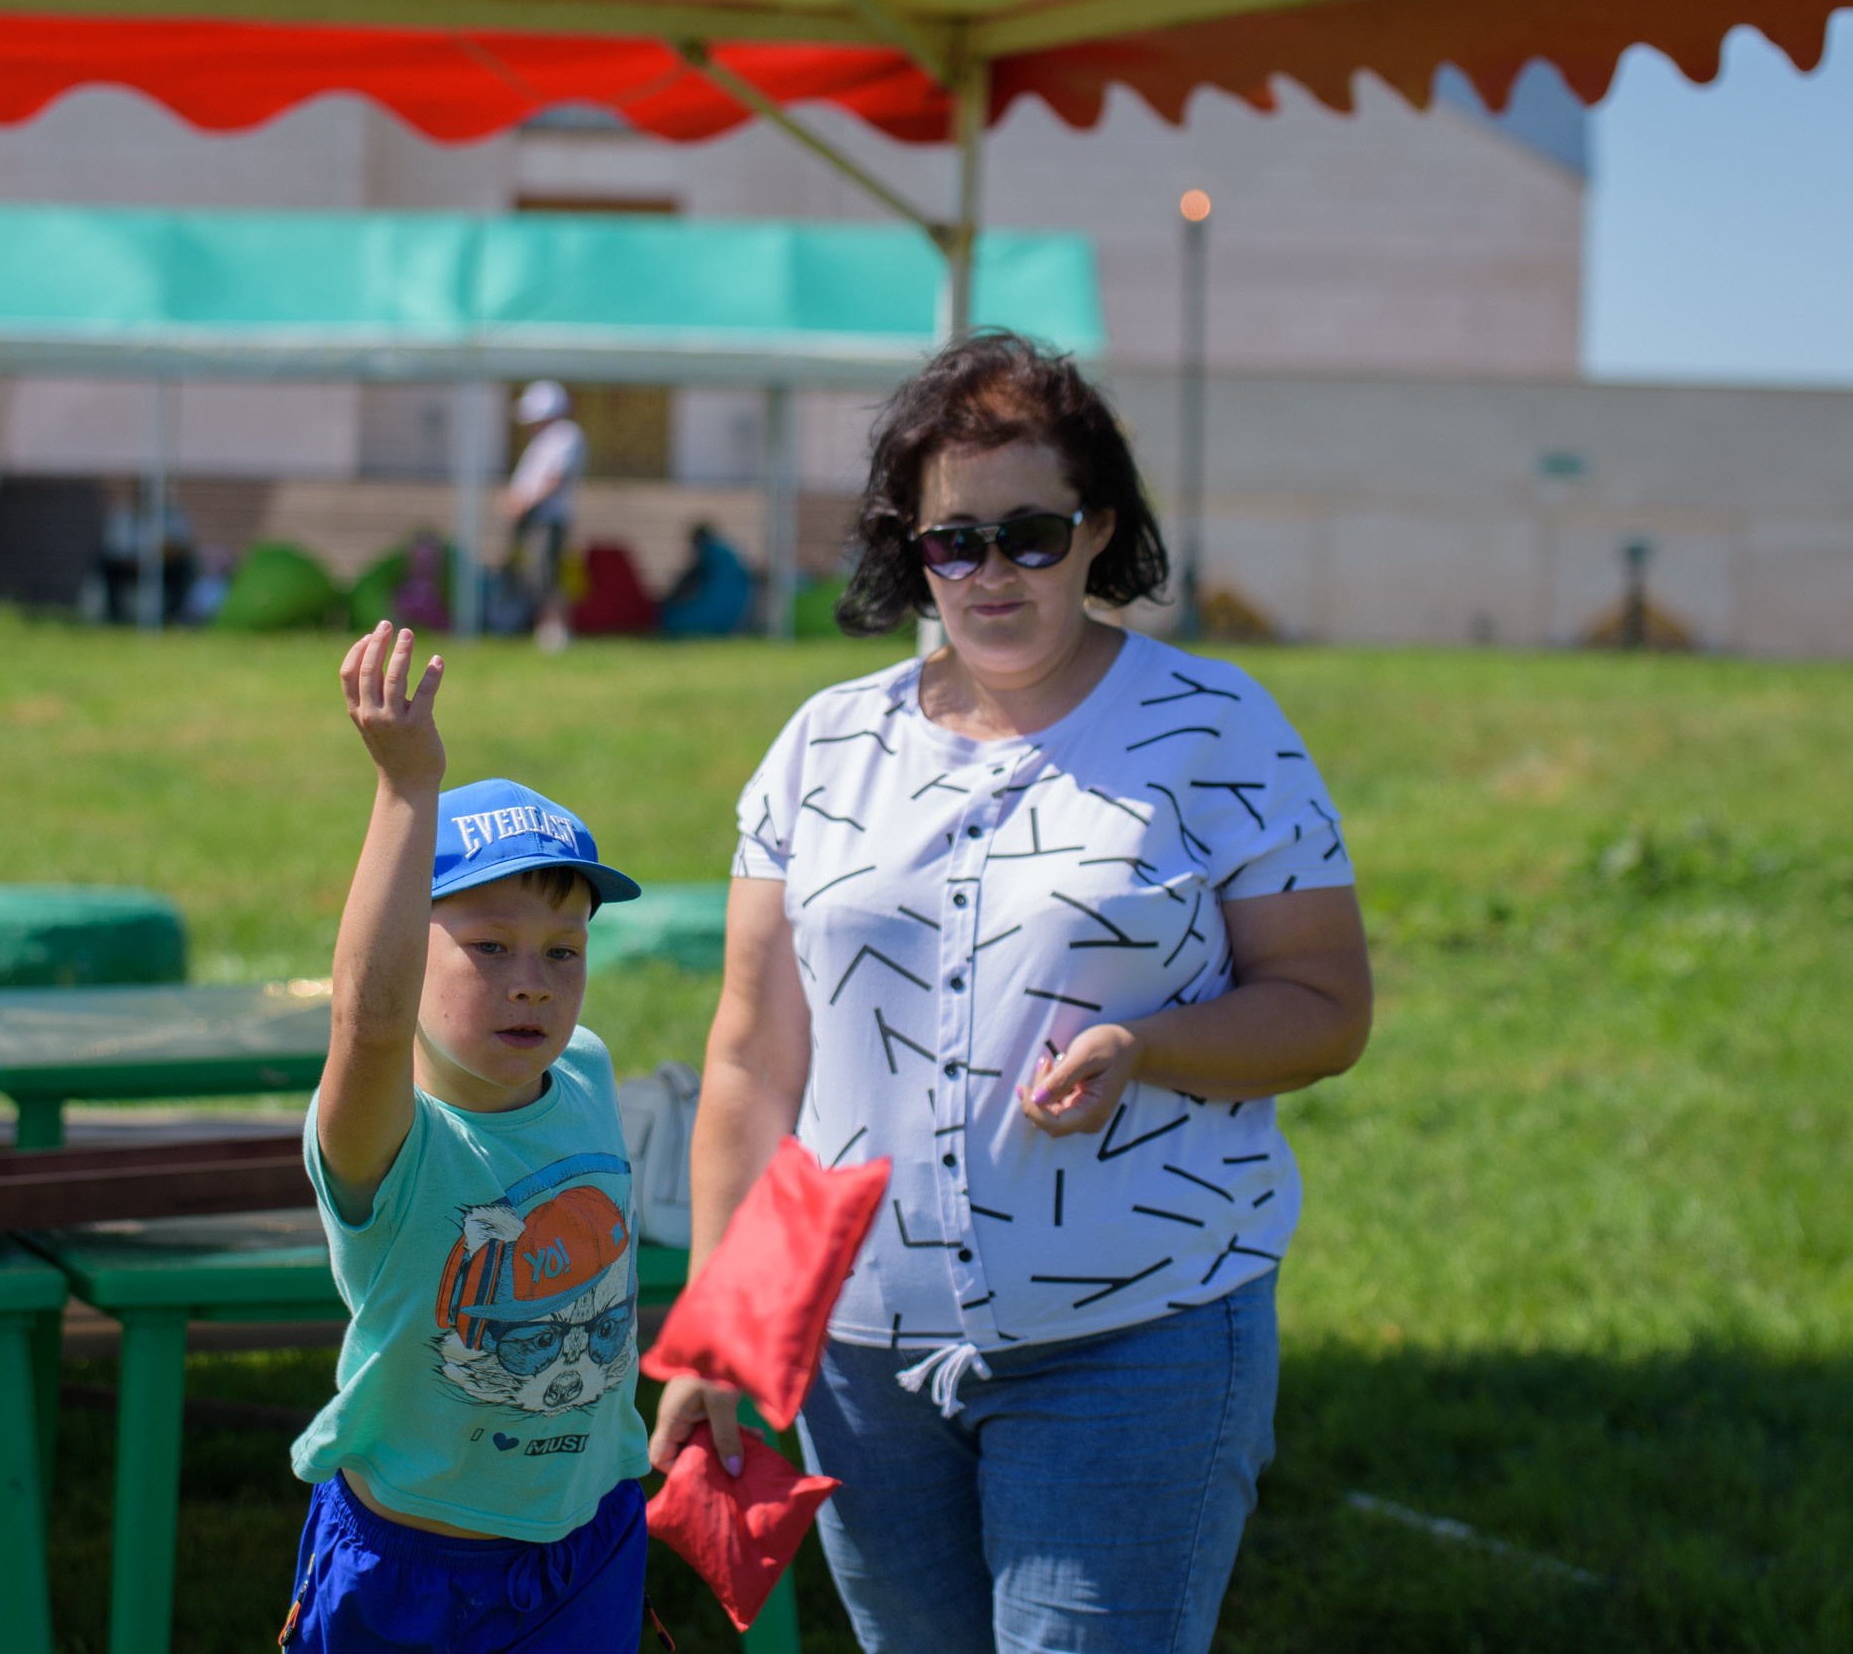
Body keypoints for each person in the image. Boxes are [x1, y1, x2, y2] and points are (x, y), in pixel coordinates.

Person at [647, 333, 1373, 1654]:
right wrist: (719, 1332)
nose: (990, 572)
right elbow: (755, 1063)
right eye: (953, 540)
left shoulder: (1220, 727)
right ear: (909, 548)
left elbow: (1326, 1004)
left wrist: (1147, 1044)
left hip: (1136, 1333)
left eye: (1031, 533)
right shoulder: (823, 742)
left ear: (1099, 529)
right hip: (857, 1354)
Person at [284, 620, 654, 1650]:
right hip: (414, 1571)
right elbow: (369, 1019)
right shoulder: (390, 1143)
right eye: (487, 946)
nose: (531, 979)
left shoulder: (582, 1073)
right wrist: (407, 791)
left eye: (562, 949)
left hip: (585, 1545)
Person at [498, 381, 585, 653]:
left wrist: (524, 502)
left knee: (548, 576)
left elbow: (554, 478)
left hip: (548, 518)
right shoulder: (545, 439)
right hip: (533, 519)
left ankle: (554, 632)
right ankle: (537, 628)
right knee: (532, 575)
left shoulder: (566, 436)